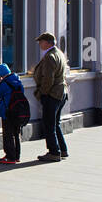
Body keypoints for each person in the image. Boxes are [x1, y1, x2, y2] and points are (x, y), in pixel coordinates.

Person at [33, 32, 69, 163]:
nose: (39, 44)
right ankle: (63, 149)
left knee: (49, 125)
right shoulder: (59, 53)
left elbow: (48, 78)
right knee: (55, 123)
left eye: (41, 42)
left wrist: (42, 93)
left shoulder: (50, 56)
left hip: (52, 94)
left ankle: (54, 152)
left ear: (48, 42)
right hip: (61, 93)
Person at [0, 63, 27, 164]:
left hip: (7, 111)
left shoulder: (4, 83)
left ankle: (10, 157)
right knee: (16, 133)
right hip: (17, 111)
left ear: (1, 74)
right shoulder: (18, 80)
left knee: (8, 134)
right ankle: (16, 156)